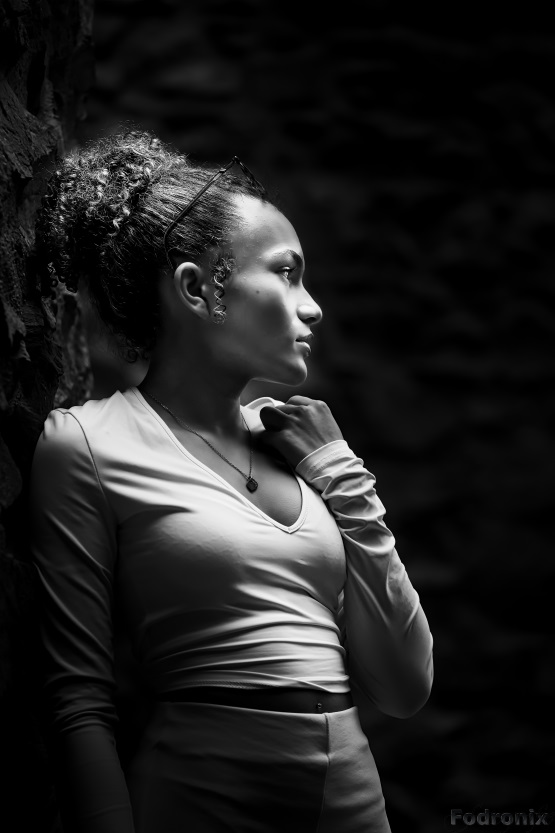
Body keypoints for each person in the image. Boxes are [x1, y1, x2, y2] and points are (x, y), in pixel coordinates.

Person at [30, 130, 434, 833]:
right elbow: (79, 700)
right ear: (197, 289)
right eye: (286, 273)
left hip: (353, 803)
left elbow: (404, 686)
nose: (312, 306)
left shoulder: (303, 450)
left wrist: (341, 474)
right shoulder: (88, 443)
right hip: (200, 798)